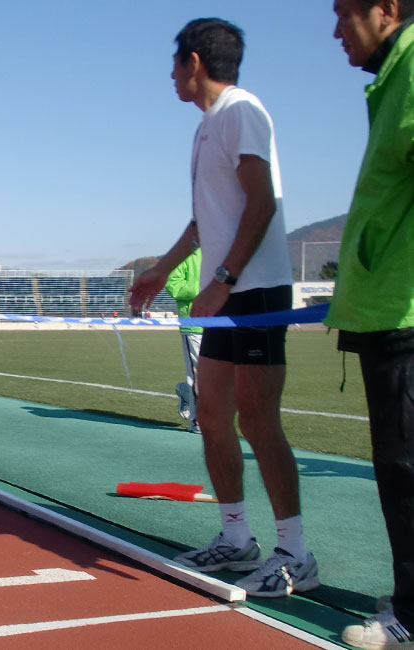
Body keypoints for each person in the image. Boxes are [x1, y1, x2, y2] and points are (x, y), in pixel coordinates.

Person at [130, 18, 319, 598]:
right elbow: (204, 219)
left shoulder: (241, 110)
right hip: (225, 292)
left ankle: (296, 554)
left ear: (193, 62)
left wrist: (225, 278)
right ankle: (236, 539)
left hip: (255, 292)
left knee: (259, 423)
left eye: (174, 65)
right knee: (212, 418)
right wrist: (161, 268)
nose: (170, 77)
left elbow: (262, 203)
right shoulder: (206, 128)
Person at [326, 1, 414, 647]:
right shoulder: (392, 77)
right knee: (400, 465)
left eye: (343, 13)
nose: (336, 31)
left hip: (403, 312)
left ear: (385, 8)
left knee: (406, 466)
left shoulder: (412, 66)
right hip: (387, 309)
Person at [165, 247, 203, 433]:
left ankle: (185, 392)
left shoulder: (223, 251)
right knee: (198, 375)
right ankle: (197, 420)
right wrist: (201, 289)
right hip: (194, 325)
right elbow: (173, 285)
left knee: (222, 375)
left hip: (222, 323)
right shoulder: (185, 254)